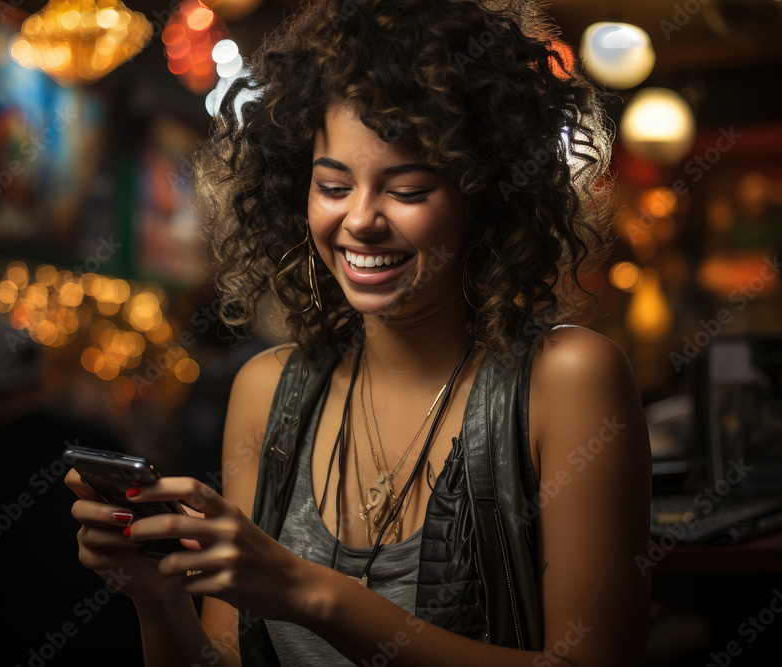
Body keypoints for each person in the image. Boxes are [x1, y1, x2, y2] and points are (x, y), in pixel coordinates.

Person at [65, 1, 652, 665]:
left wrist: (311, 592)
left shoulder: (568, 379)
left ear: (484, 197)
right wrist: (155, 594)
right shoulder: (269, 391)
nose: (361, 220)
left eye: (407, 189)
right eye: (334, 185)